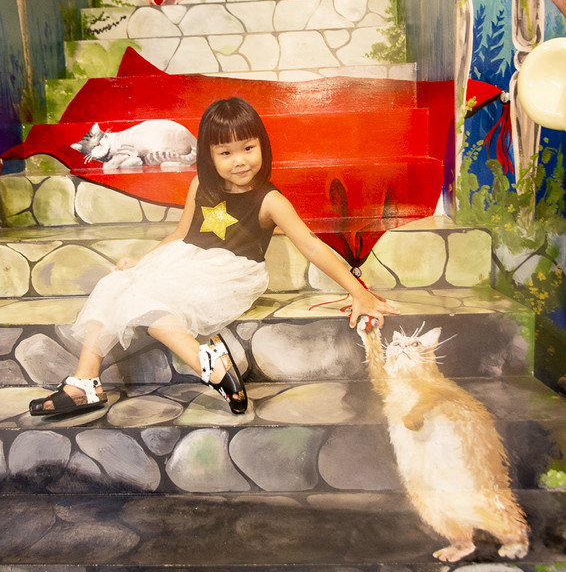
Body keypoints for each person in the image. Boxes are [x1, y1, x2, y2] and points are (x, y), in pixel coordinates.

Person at [30, 97, 399, 418]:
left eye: (248, 148)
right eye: (225, 153)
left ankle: (206, 364)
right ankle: (85, 382)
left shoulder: (270, 200)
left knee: (144, 301)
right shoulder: (200, 185)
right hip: (183, 260)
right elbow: (179, 234)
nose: (239, 161)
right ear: (209, 155)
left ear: (262, 146)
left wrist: (359, 291)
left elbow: (311, 245)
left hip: (230, 271)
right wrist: (141, 261)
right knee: (115, 284)